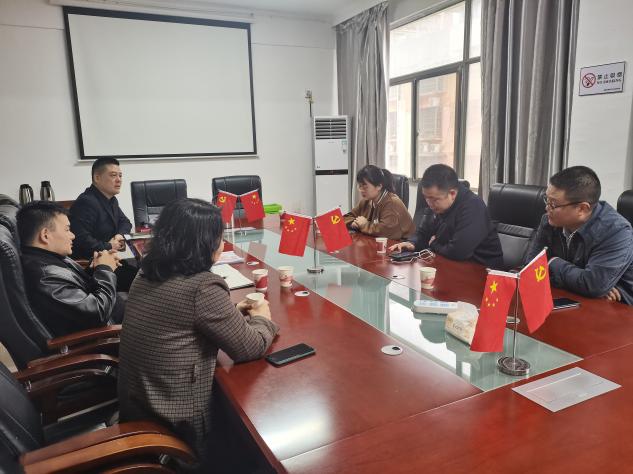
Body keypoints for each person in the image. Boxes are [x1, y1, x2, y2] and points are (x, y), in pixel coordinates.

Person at [117, 198, 279, 466]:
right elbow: (249, 347)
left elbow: (180, 318)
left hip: (140, 409)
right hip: (177, 426)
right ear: (203, 244)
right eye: (219, 237)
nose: (222, 244)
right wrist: (263, 318)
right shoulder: (202, 287)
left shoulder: (146, 272)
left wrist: (230, 313)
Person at [524, 166, 633, 304]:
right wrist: (585, 284)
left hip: (616, 308)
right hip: (573, 298)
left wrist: (553, 262)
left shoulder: (616, 231)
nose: (547, 208)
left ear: (582, 208)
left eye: (553, 204)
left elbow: (592, 285)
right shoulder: (549, 221)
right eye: (547, 200)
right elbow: (530, 266)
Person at [17, 201, 124, 338]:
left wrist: (95, 268)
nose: (72, 235)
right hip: (109, 337)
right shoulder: (44, 278)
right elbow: (98, 313)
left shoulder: (49, 257)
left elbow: (74, 286)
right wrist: (105, 269)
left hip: (115, 316)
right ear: (45, 235)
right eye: (67, 229)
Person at [389, 164, 503, 268]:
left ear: (452, 193)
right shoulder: (438, 204)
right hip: (450, 265)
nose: (429, 203)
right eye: (426, 198)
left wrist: (434, 244)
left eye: (434, 199)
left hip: (481, 271)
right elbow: (424, 232)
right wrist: (412, 243)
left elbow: (459, 252)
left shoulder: (473, 207)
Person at [70, 157, 132, 259]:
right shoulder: (86, 202)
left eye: (120, 176)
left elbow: (125, 222)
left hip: (109, 258)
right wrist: (110, 246)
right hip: (90, 262)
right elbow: (82, 240)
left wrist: (119, 236)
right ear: (97, 178)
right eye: (113, 175)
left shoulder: (112, 200)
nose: (119, 180)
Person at [343, 165, 414, 240]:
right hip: (375, 241)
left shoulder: (392, 203)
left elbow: (386, 232)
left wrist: (364, 225)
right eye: (360, 186)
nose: (361, 190)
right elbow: (345, 218)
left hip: (402, 243)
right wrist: (353, 223)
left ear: (379, 186)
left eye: (365, 187)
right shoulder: (366, 200)